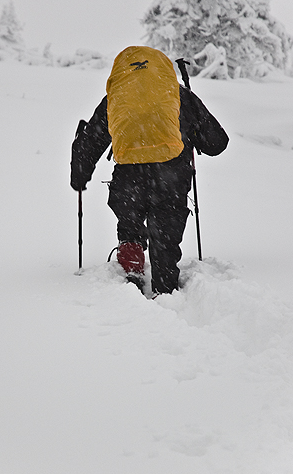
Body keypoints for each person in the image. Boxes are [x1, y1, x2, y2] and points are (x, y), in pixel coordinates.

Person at [70, 46, 228, 297]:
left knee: (130, 223)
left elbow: (90, 143)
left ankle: (131, 269)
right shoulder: (178, 95)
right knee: (165, 236)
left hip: (128, 181)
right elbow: (217, 143)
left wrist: (79, 177)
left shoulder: (116, 98)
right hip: (171, 179)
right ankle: (165, 290)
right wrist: (193, 131)